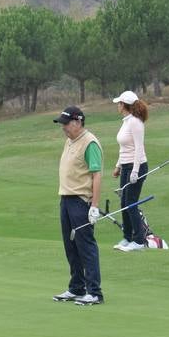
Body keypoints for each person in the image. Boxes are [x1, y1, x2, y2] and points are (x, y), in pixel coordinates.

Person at [52, 105, 103, 306]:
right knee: (70, 246)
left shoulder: (90, 143)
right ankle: (76, 288)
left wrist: (94, 206)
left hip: (81, 201)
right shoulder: (69, 141)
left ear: (78, 122)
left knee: (85, 246)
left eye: (66, 123)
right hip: (65, 198)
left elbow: (96, 174)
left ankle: (94, 292)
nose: (63, 127)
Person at [110, 90, 149, 252]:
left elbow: (139, 149)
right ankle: (127, 238)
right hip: (126, 166)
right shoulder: (126, 121)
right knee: (124, 203)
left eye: (119, 103)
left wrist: (135, 171)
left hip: (137, 166)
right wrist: (118, 166)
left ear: (125, 105)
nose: (117, 106)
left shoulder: (135, 122)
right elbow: (124, 148)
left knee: (131, 203)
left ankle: (139, 241)